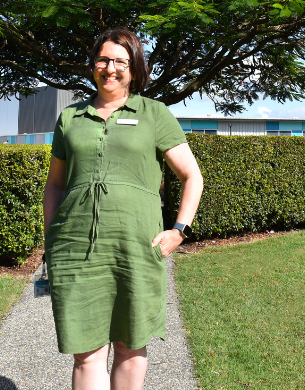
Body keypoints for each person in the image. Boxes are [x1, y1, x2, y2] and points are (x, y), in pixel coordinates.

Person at [43, 27, 204, 389]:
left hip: (135, 247)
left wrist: (179, 230)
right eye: (103, 59)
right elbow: (54, 184)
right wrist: (50, 239)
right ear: (92, 65)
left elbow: (192, 176)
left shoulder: (154, 114)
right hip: (75, 249)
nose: (110, 67)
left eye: (120, 61)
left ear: (134, 69)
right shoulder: (70, 118)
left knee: (131, 345)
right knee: (85, 351)